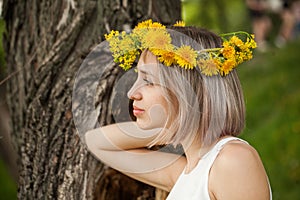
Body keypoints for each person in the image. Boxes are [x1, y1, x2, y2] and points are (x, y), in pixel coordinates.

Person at [84, 19, 272, 199]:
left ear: (188, 91)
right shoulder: (186, 173)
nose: (132, 93)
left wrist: (187, 123)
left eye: (148, 81)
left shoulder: (232, 160)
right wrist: (174, 128)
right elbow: (96, 141)